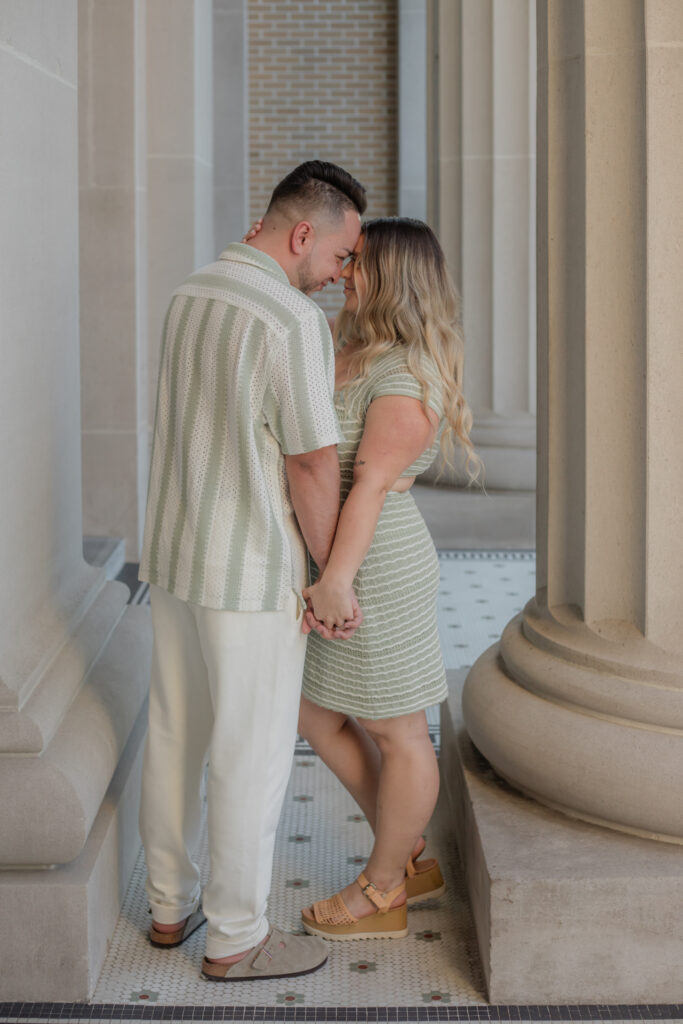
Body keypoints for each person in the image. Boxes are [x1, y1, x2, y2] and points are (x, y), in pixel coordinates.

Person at [137, 160, 366, 981]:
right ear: (302, 234)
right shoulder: (291, 321)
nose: (341, 278)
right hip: (249, 571)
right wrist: (330, 572)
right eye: (340, 257)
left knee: (173, 734)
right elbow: (310, 464)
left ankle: (170, 907)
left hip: (172, 557)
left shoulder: (190, 289)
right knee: (249, 752)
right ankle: (236, 938)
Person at [297, 217, 479, 939]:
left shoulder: (404, 372)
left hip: (375, 567)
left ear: (392, 279)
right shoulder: (351, 348)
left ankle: (383, 894)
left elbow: (371, 484)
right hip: (340, 559)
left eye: (358, 263)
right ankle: (404, 853)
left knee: (395, 729)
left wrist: (336, 580)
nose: (344, 271)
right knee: (314, 713)